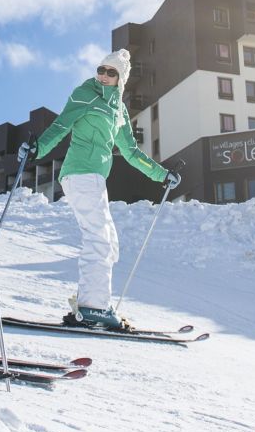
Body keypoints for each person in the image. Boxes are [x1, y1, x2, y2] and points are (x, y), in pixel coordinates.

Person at [20, 48, 181, 331]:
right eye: (101, 70)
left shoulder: (118, 109)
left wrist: (162, 175)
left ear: (121, 79)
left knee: (109, 242)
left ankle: (88, 302)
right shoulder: (85, 93)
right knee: (99, 240)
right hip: (80, 173)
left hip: (94, 178)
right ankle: (93, 307)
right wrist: (36, 149)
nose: (103, 76)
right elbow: (60, 125)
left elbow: (131, 152)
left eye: (111, 73)